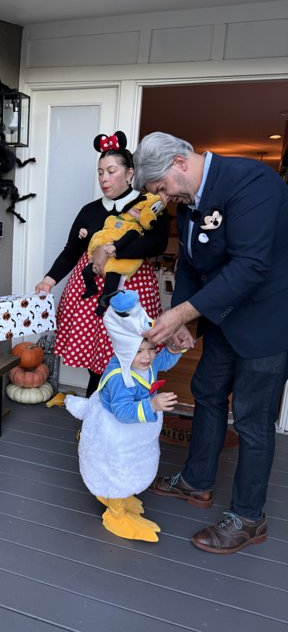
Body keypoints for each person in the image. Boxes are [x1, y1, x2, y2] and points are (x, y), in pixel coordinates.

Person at [132, 131, 288, 554]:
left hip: (268, 321)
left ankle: (250, 517)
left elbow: (251, 267)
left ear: (181, 162)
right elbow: (189, 264)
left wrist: (182, 314)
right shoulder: (186, 203)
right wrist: (186, 316)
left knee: (254, 420)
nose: (163, 198)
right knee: (208, 393)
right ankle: (197, 482)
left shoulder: (253, 183)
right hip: (222, 321)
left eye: (161, 187)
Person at [35, 130, 169, 397]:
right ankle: (95, 416)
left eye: (111, 171)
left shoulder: (148, 206)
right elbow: (71, 252)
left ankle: (125, 414)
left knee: (130, 355)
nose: (104, 179)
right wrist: (48, 280)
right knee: (95, 360)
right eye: (100, 172)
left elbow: (157, 244)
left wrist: (111, 250)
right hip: (90, 296)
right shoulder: (90, 211)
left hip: (131, 292)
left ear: (130, 173)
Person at [65, 290, 185, 542]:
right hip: (115, 433)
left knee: (132, 464)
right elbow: (122, 411)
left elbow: (160, 362)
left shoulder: (142, 362)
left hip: (133, 432)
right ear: (124, 349)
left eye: (151, 349)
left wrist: (173, 348)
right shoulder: (120, 377)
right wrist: (152, 404)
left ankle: (122, 495)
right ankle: (116, 512)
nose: (147, 357)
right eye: (140, 351)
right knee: (117, 468)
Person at [80, 193, 165, 316]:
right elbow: (101, 229)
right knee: (86, 272)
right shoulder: (113, 218)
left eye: (140, 212)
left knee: (111, 281)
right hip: (97, 258)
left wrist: (115, 246)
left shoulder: (135, 227)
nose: (137, 212)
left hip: (116, 262)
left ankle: (103, 302)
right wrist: (87, 232)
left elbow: (128, 237)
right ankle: (91, 288)